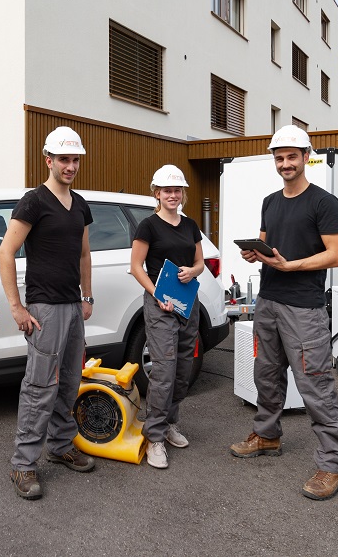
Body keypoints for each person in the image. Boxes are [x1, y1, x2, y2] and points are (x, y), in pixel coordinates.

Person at [229, 125, 338, 501]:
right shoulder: (270, 201)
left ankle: (331, 463)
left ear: (306, 156)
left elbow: (337, 255)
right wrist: (255, 253)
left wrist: (290, 265)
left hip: (304, 309)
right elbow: (267, 245)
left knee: (315, 384)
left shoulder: (324, 203)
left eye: (292, 156)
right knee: (266, 374)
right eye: (279, 157)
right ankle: (267, 435)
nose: (285, 163)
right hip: (268, 301)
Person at [0, 126, 96, 500]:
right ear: (48, 160)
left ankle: (60, 445)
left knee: (69, 382)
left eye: (75, 160)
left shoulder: (80, 204)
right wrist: (17, 307)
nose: (70, 166)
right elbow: (6, 252)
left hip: (72, 306)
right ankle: (23, 464)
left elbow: (84, 254)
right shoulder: (34, 202)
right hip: (44, 309)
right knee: (40, 387)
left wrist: (87, 297)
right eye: (64, 159)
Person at [129, 165, 203, 469]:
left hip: (188, 302)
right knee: (164, 370)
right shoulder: (148, 226)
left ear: (182, 193)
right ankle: (155, 437)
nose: (172, 195)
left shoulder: (190, 225)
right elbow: (136, 267)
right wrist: (157, 295)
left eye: (177, 190)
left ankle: (170, 422)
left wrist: (192, 271)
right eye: (167, 191)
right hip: (160, 304)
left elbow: (199, 262)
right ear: (157, 194)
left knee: (184, 368)